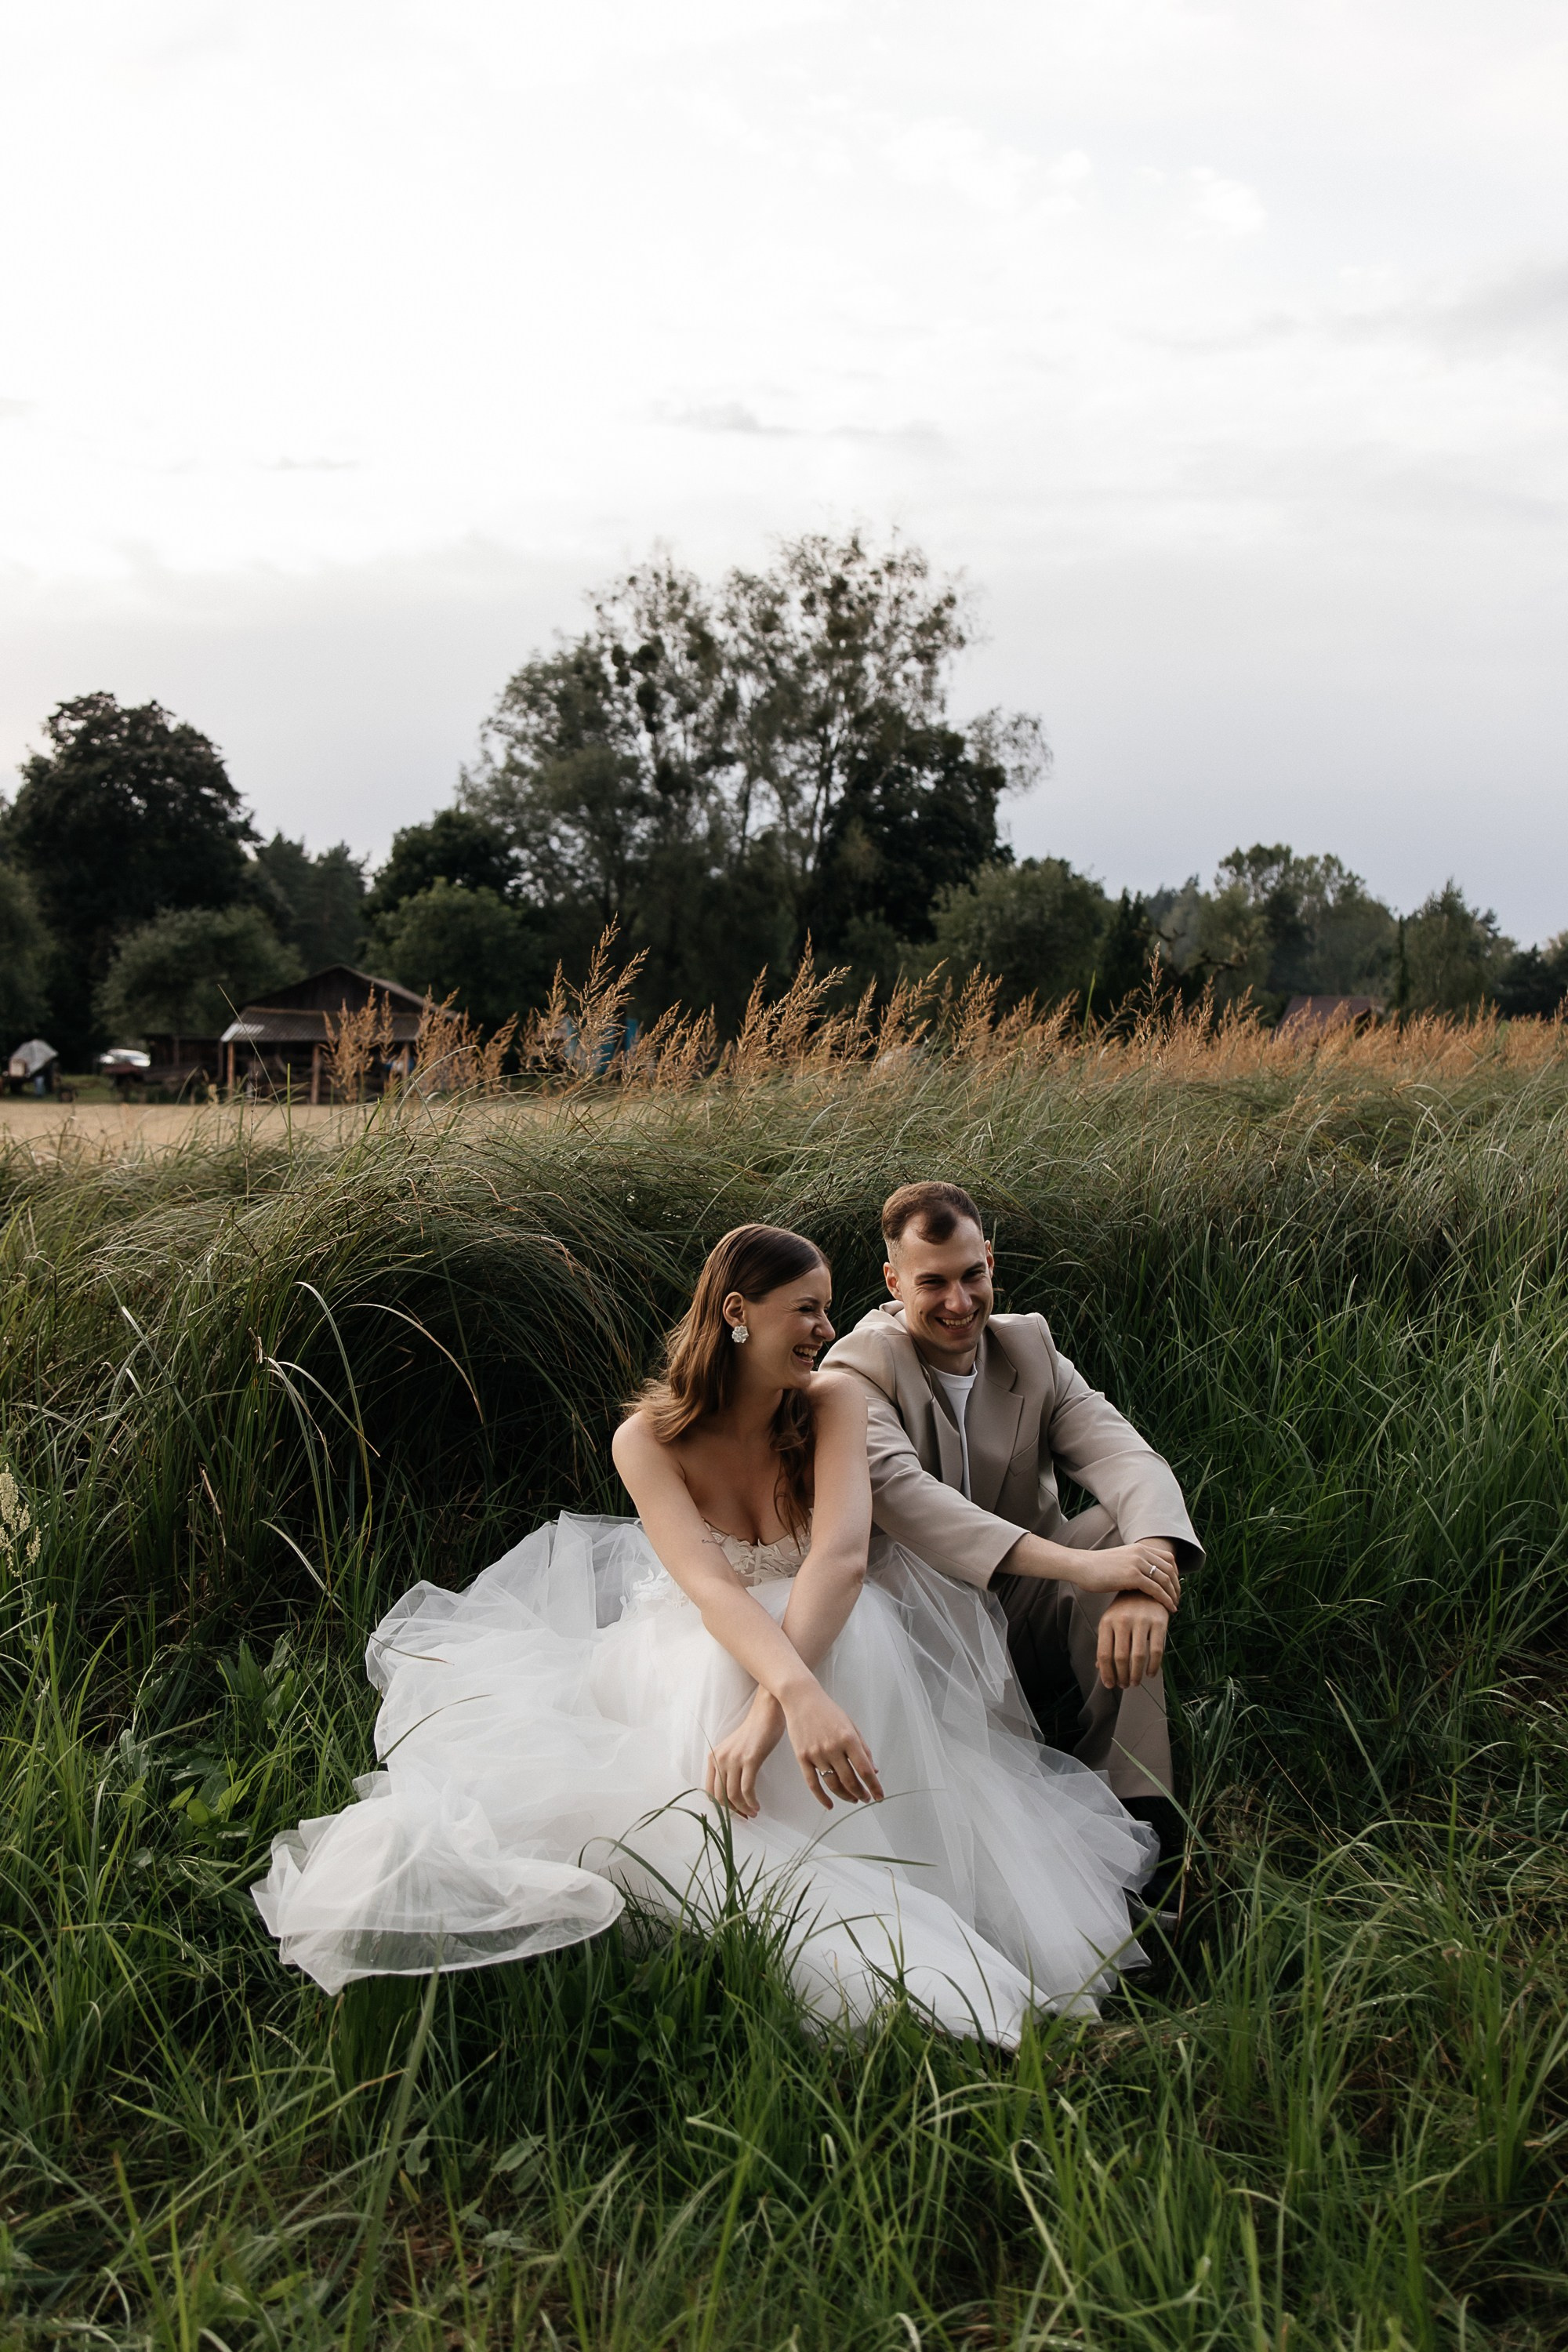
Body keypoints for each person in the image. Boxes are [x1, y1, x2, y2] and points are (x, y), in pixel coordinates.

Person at [253, 1225, 1162, 2045]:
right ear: (736, 1313)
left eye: (827, 1309)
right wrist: (788, 1695)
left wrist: (779, 1709)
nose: (823, 1329)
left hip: (832, 1619)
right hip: (703, 1638)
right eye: (805, 1311)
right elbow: (709, 1588)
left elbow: (841, 1560)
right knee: (714, 1673)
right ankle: (790, 1921)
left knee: (862, 1641)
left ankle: (906, 1885)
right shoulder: (644, 1439)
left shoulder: (836, 1401)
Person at [823, 1181, 1200, 1906]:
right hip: (912, 1634)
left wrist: (1145, 1577)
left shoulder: (1029, 1346)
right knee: (1102, 1556)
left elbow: (1128, 1459)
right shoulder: (855, 1371)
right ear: (894, 1281)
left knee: (1126, 1533)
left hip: (1017, 1609)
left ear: (990, 1259)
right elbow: (906, 1496)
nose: (960, 1302)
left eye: (973, 1275)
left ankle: (1141, 1830)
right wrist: (1082, 1566)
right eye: (932, 1283)